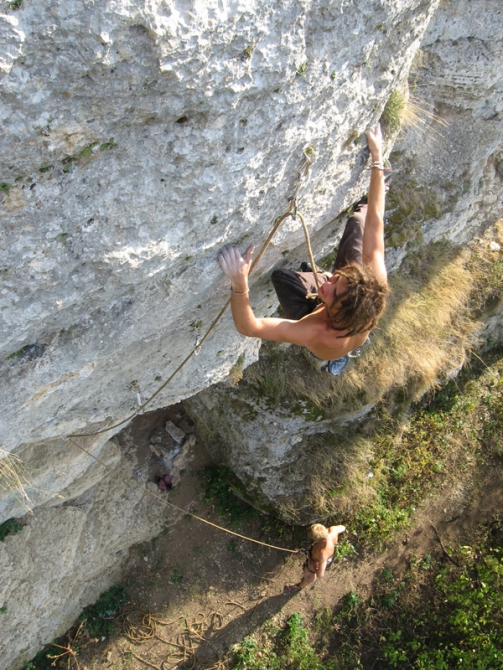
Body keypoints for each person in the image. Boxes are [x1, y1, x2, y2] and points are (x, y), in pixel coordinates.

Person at [218, 124, 389, 368]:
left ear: (341, 314)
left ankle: (338, 355)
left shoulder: (314, 331)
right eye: (335, 279)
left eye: (333, 290)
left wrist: (239, 281)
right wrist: (377, 157)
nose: (326, 284)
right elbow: (375, 219)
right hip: (344, 306)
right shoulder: (370, 286)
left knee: (283, 278)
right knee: (358, 221)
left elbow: (249, 327)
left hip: (327, 328)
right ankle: (334, 282)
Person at [284, 523, 346, 592]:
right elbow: (343, 527)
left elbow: (320, 575)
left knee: (309, 575)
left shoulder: (323, 552)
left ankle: (299, 586)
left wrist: (314, 567)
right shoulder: (333, 530)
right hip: (317, 556)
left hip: (318, 561)